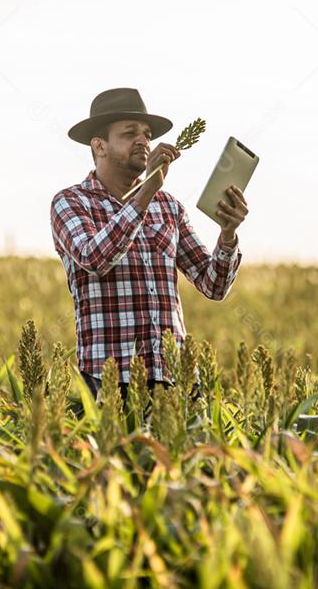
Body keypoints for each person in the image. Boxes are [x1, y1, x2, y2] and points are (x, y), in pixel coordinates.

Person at [50, 87, 249, 404]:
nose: (143, 141)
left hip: (174, 379)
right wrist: (146, 193)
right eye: (129, 134)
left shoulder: (168, 206)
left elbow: (214, 285)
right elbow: (94, 258)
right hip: (109, 382)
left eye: (146, 134)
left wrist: (228, 234)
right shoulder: (71, 203)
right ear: (99, 146)